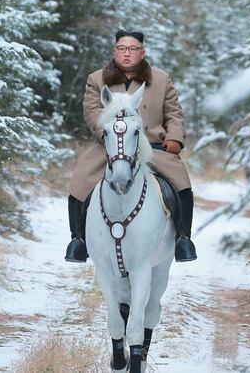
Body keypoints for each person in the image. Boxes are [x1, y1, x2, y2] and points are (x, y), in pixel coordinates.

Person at [65, 29, 197, 263]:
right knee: (80, 183)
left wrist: (175, 137)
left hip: (154, 147)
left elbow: (174, 114)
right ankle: (78, 241)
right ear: (115, 51)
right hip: (110, 146)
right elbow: (92, 113)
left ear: (142, 52)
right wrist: (107, 134)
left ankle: (183, 239)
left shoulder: (161, 79)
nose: (127, 54)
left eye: (133, 49)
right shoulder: (97, 80)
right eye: (122, 49)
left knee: (182, 186)